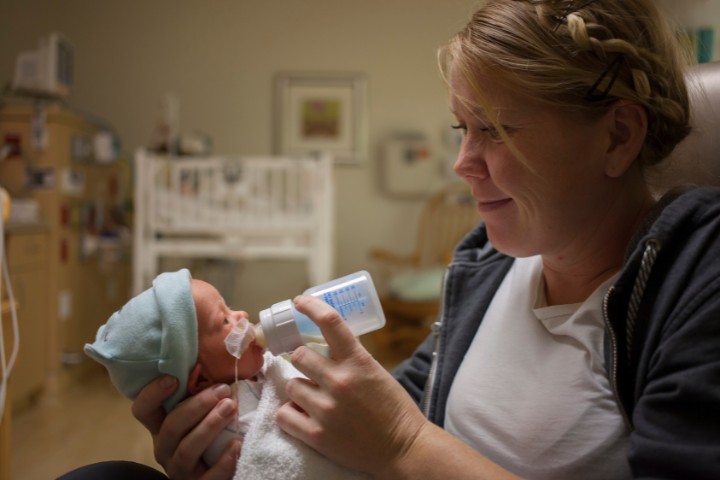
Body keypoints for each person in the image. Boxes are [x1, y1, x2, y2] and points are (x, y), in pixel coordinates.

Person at [63, 0, 720, 478]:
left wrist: (404, 444)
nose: (462, 162)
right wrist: (226, 441)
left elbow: (399, 431)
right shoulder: (489, 262)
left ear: (618, 136)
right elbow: (404, 397)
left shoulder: (697, 279)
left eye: (496, 129)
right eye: (462, 128)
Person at [81, 269, 369, 479]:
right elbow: (277, 461)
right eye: (224, 319)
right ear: (201, 381)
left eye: (229, 308)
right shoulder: (228, 423)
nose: (242, 314)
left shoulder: (254, 372)